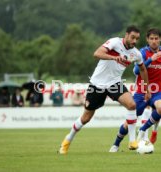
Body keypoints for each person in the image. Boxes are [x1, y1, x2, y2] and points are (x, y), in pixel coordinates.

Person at [58, 25, 150, 154]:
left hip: (114, 83)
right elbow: (97, 53)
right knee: (86, 118)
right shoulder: (114, 42)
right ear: (126, 35)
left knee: (132, 105)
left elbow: (142, 69)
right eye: (132, 37)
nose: (134, 41)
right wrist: (113, 57)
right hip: (97, 84)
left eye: (137, 39)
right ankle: (67, 140)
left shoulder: (136, 53)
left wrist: (147, 89)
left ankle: (132, 142)